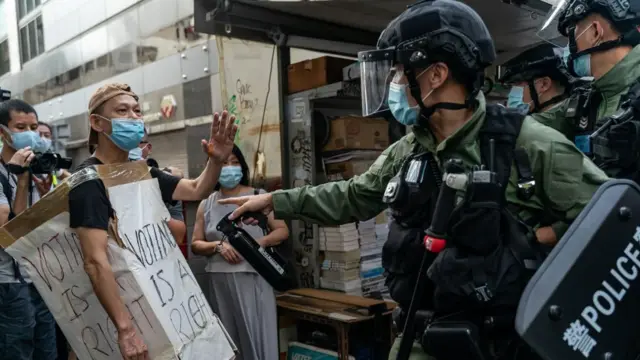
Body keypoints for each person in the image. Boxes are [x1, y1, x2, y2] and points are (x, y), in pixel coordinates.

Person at [218, 1, 609, 358]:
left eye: (402, 73)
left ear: (436, 74)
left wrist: (534, 240)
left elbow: (607, 216)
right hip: (421, 337)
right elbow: (355, 196)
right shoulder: (409, 150)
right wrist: (276, 201)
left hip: (500, 343)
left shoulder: (525, 142)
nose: (396, 85)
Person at [68, 83, 237, 360]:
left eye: (137, 111)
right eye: (122, 111)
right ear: (97, 122)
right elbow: (95, 261)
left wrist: (216, 161)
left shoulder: (142, 172)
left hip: (161, 302)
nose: (134, 118)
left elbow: (195, 189)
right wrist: (125, 329)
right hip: (125, 312)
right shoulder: (87, 181)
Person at [191, 145, 288, 360]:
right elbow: (196, 244)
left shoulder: (258, 197)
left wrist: (252, 246)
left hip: (254, 277)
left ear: (242, 167)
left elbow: (282, 231)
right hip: (219, 281)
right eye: (224, 163)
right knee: (230, 341)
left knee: (258, 336)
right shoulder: (206, 204)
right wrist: (218, 247)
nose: (229, 168)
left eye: (234, 162)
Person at [537, 0, 640, 178]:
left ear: (594, 31)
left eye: (572, 32)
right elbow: (531, 127)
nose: (568, 46)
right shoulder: (588, 99)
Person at [0, 99, 57, 360]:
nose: (31, 134)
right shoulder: (6, 174)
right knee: (18, 351)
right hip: (10, 282)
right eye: (21, 127)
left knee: (47, 351)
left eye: (34, 127)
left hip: (41, 278)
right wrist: (22, 182)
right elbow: (8, 232)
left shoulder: (39, 173)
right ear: (3, 132)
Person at [498, 42, 577, 137]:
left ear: (544, 84)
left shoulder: (539, 130)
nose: (511, 93)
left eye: (518, 84)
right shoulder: (571, 118)